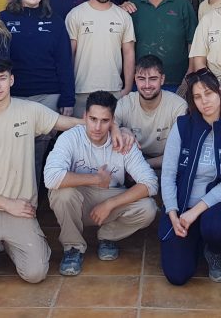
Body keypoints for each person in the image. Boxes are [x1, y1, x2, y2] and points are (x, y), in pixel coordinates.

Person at [0, 58, 123, 288]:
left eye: (2, 78)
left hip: (22, 210)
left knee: (36, 273)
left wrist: (115, 126)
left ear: (12, 80)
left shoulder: (29, 111)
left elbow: (75, 122)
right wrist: (7, 204)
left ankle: (6, 242)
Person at [44, 90, 158, 276]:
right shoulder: (70, 137)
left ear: (113, 121)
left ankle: (108, 235)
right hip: (80, 198)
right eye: (93, 119)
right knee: (61, 193)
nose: (97, 127)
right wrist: (97, 179)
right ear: (84, 117)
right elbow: (50, 177)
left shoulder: (122, 141)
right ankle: (73, 247)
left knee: (148, 208)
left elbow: (151, 183)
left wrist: (109, 204)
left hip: (111, 197)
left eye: (105, 121)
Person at [159, 69, 221, 285]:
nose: (204, 101)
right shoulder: (182, 126)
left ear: (219, 92)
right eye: (197, 97)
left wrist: (196, 211)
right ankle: (196, 239)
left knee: (214, 226)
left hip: (220, 204)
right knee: (177, 276)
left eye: (208, 93)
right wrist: (173, 213)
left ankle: (214, 249)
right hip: (182, 207)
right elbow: (168, 174)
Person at [1, 0, 77, 175]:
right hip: (13, 97)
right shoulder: (3, 19)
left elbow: (64, 62)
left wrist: (67, 100)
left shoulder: (55, 21)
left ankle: (32, 199)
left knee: (37, 151)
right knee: (15, 149)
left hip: (48, 96)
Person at [66, 0, 136, 116]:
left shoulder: (123, 17)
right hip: (81, 92)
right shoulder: (76, 15)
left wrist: (127, 89)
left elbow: (129, 54)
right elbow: (68, 55)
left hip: (114, 91)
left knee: (112, 136)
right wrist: (68, 90)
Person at [128, 0, 198, 90]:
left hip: (177, 81)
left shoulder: (182, 3)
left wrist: (190, 73)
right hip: (142, 82)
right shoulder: (133, 6)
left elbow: (193, 41)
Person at [115, 55, 188, 169]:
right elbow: (108, 124)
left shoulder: (178, 106)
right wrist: (121, 130)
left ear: (162, 79)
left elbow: (181, 152)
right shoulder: (126, 103)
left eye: (153, 79)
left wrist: (142, 165)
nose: (147, 85)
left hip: (166, 167)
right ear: (135, 79)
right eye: (141, 79)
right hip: (130, 165)